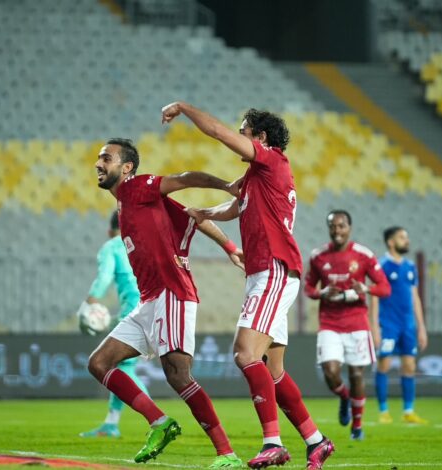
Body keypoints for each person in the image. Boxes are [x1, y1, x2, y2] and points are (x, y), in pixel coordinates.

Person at [162, 102, 334, 470]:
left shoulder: (271, 160)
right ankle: (316, 441)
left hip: (273, 269)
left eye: (245, 131)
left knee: (244, 354)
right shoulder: (258, 177)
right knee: (272, 371)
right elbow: (236, 207)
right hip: (267, 271)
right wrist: (204, 212)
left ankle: (272, 442)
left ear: (261, 138)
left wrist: (183, 108)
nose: (239, 135)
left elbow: (217, 132)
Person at [87, 138, 245, 468]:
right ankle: (160, 423)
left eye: (107, 158)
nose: (99, 164)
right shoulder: (126, 205)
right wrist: (230, 247)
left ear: (126, 167)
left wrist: (226, 186)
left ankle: (227, 454)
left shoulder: (139, 187)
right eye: (99, 158)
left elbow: (186, 179)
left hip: (172, 292)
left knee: (178, 375)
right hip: (149, 301)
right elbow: (194, 216)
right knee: (99, 363)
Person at [304, 210, 390, 441]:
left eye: (341, 226)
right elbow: (309, 289)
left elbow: (384, 287)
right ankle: (344, 397)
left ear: (349, 228)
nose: (337, 230)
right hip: (330, 323)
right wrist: (322, 292)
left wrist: (366, 289)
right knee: (331, 373)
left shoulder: (363, 255)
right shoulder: (318, 256)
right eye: (332, 226)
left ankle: (357, 427)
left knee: (356, 374)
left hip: (357, 323)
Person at [78, 210, 146, 438]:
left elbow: (104, 277)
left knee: (116, 368)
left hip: (134, 313)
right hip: (158, 306)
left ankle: (158, 419)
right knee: (120, 367)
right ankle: (111, 423)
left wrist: (92, 299)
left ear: (110, 231)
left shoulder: (112, 246)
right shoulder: (145, 241)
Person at [370, 226, 429, 425]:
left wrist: (421, 327)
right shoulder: (382, 265)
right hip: (388, 324)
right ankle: (384, 411)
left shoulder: (410, 267)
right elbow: (375, 297)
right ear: (391, 242)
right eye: (402, 237)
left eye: (407, 237)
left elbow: (415, 297)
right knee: (384, 364)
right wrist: (375, 327)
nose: (407, 241)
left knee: (409, 366)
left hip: (408, 325)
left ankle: (408, 411)